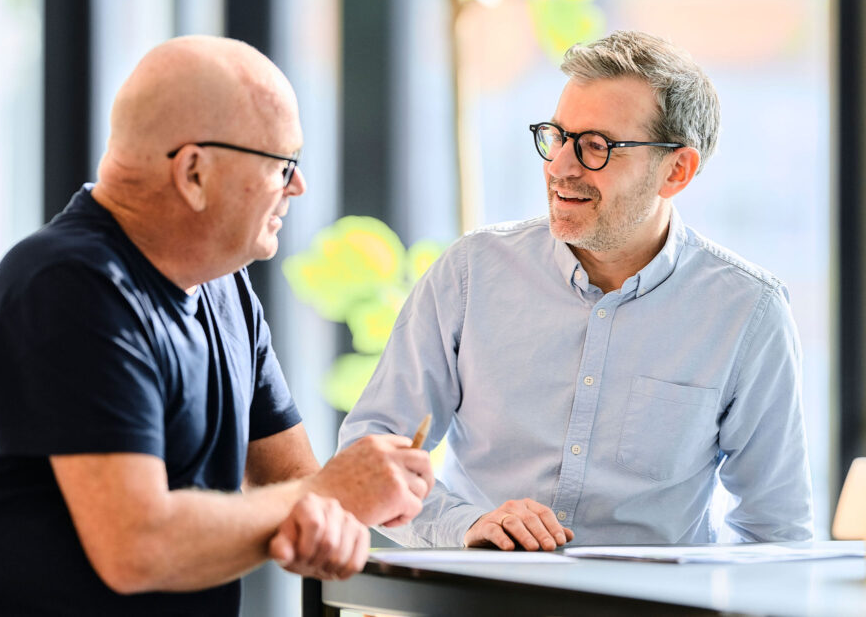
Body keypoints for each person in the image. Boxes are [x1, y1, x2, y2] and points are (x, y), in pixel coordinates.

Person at [0, 36, 434, 616]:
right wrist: (326, 494)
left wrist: (343, 503)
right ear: (194, 172)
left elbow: (290, 481)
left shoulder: (225, 289)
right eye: (282, 164)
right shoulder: (69, 286)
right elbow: (137, 546)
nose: (297, 186)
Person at [338, 30, 813, 551]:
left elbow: (776, 534)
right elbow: (369, 457)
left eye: (596, 147)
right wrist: (466, 525)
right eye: (558, 137)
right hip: (484, 589)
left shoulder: (747, 312)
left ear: (676, 171)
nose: (559, 167)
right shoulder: (471, 273)